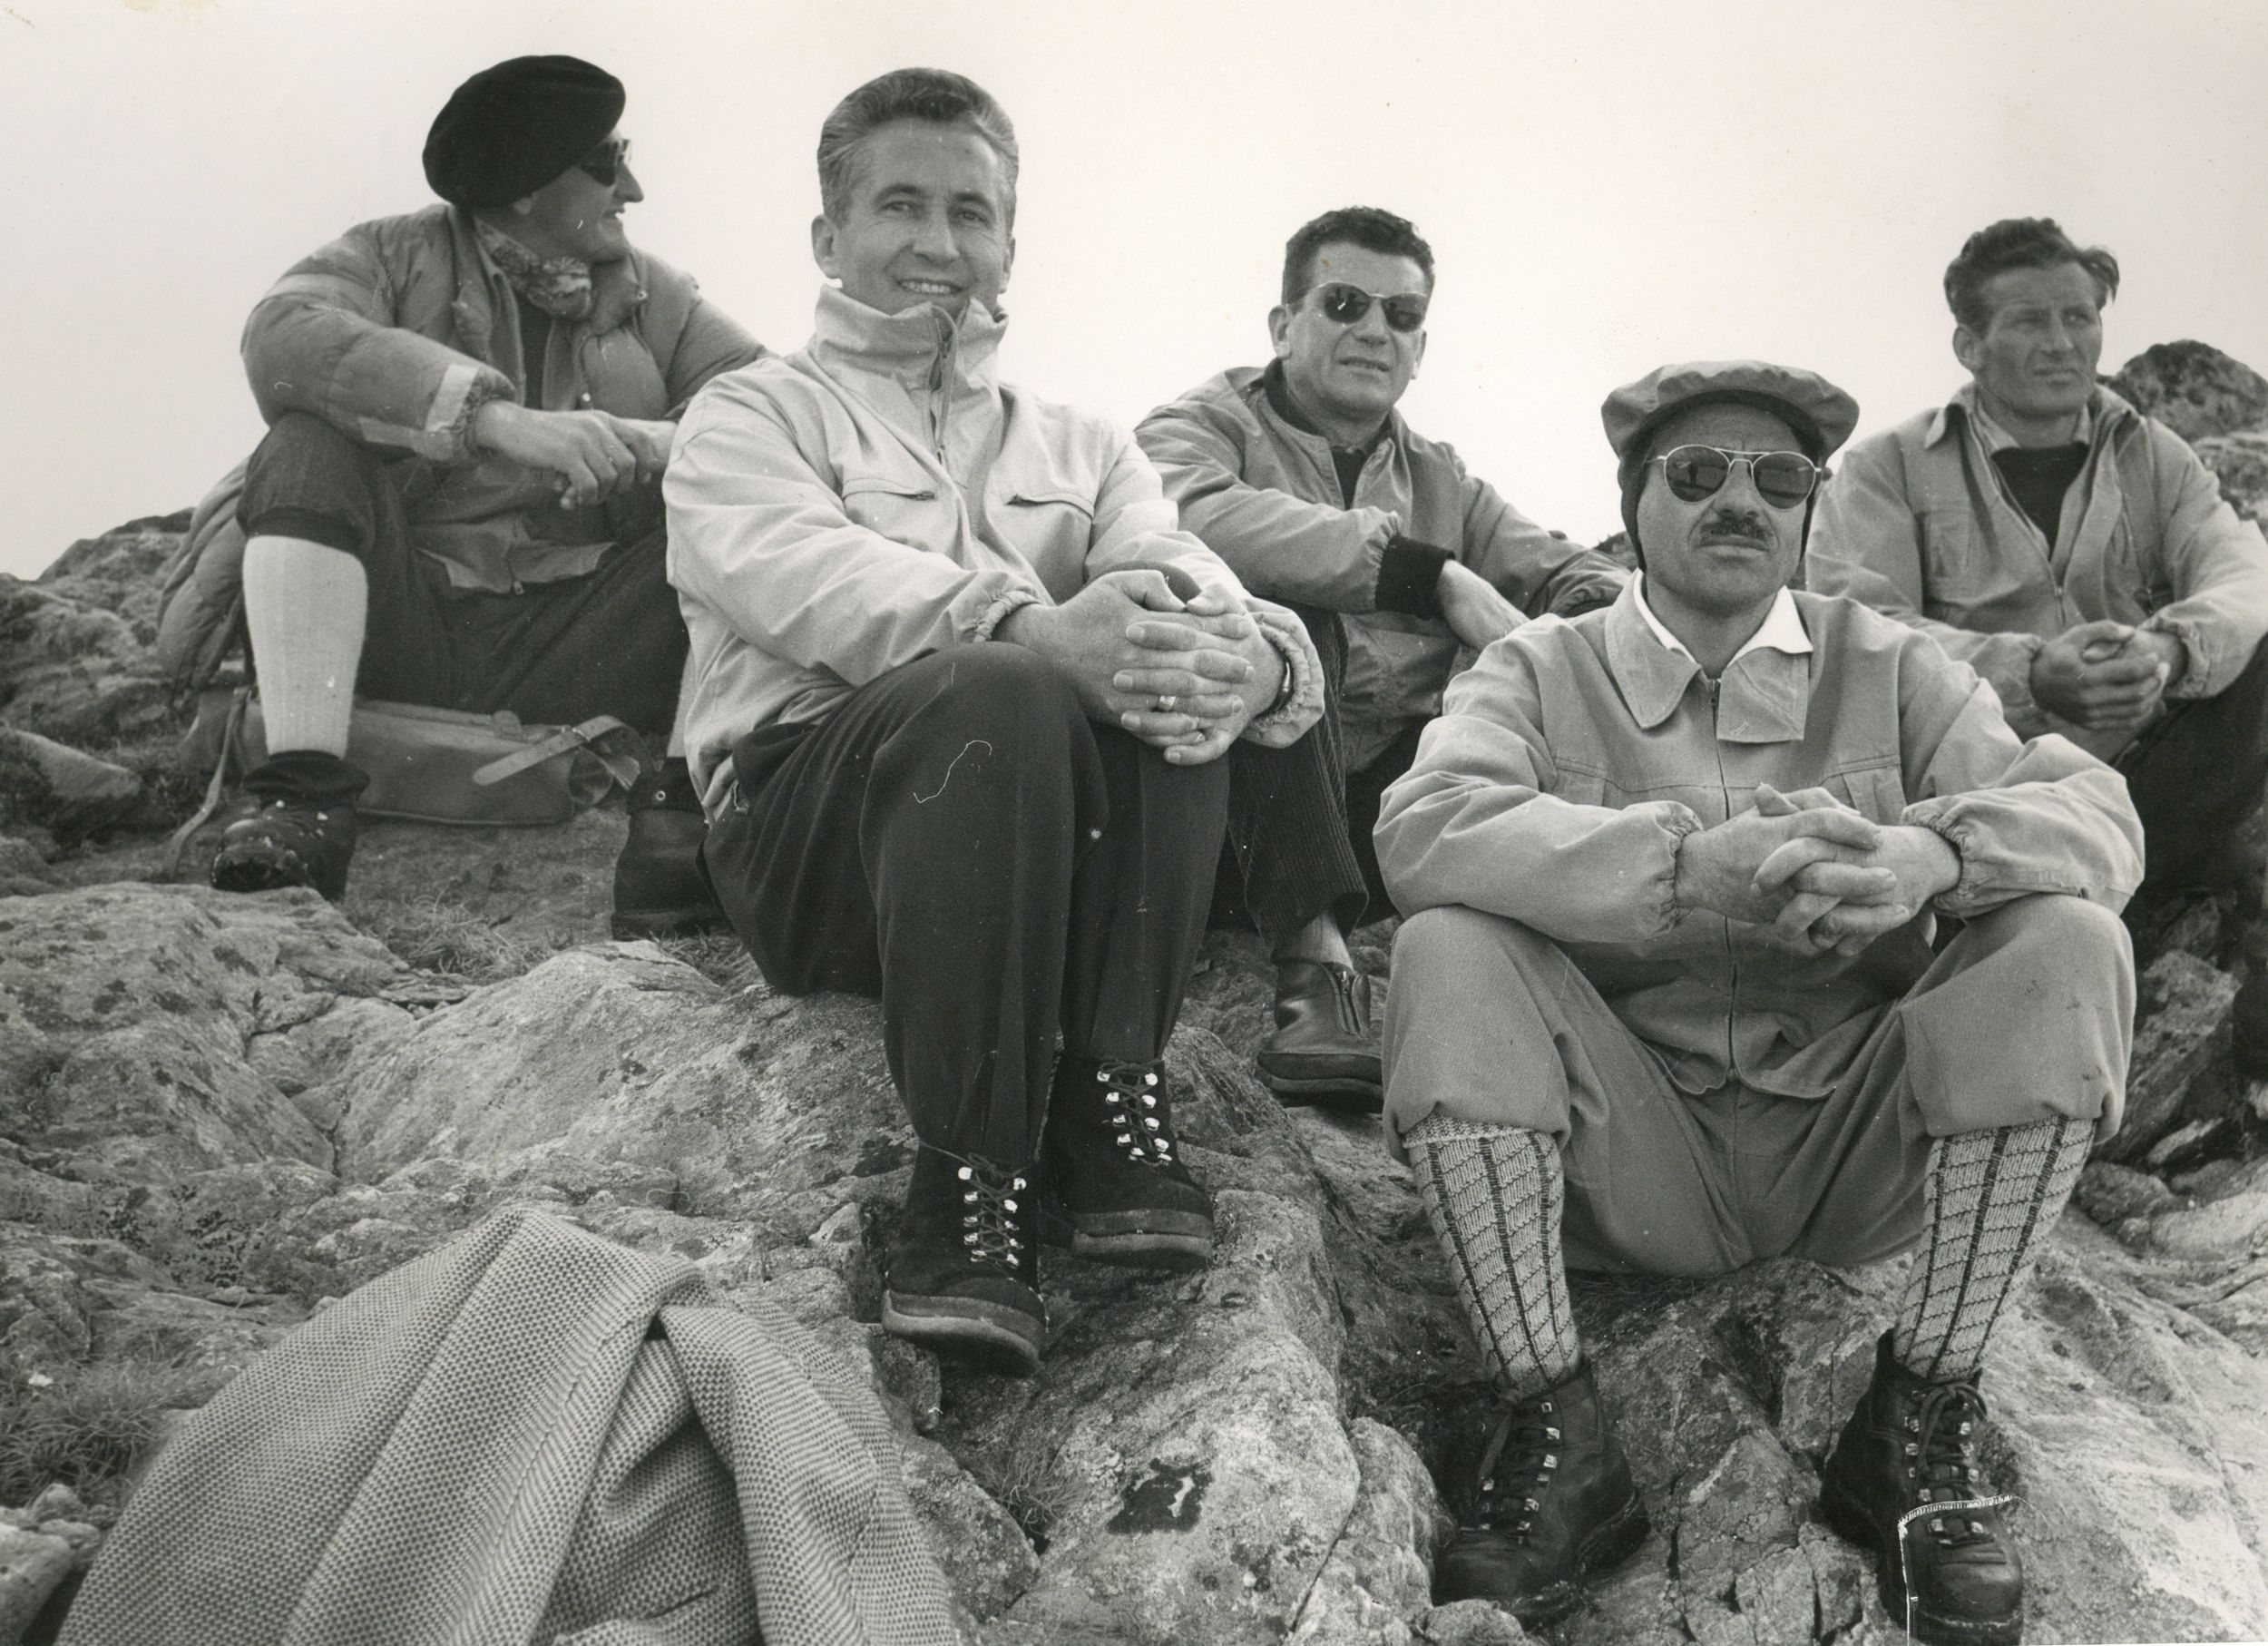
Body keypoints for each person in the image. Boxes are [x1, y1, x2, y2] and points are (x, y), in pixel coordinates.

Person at [1375, 360, 2140, 1641]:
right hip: (1626, 1152)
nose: (1742, 498)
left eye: (1778, 477)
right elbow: (1424, 826)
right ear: (1633, 505)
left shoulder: (1891, 662)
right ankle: (1556, 1423)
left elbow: (2094, 816)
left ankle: (1915, 1417)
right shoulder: (1539, 664)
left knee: (2066, 934)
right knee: (1449, 944)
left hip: (1853, 1150)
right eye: (1698, 472)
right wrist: (1675, 870)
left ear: (1808, 509)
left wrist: (1931, 857)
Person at [664, 69, 1323, 1377]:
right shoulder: (750, 412)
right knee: (1010, 677)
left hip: (1030, 851)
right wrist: (1030, 628)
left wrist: (1254, 666)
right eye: (899, 204)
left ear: (1009, 242)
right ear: (828, 237)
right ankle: (969, 1174)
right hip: (818, 835)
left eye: (971, 211)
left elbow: (1188, 571)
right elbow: (813, 580)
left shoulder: (1085, 441)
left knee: (1166, 641)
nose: (938, 241)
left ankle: (1106, 1092)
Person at [173, 54, 762, 930]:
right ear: (524, 189)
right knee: (302, 448)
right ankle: (303, 802)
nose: (630, 187)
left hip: (576, 639)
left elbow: (773, 412)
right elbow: (283, 336)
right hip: (398, 624)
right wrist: (494, 418)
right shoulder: (385, 256)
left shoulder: (656, 296)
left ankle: (681, 824)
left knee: (745, 511)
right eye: (607, 161)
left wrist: (652, 443)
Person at [1139, 209, 1625, 1110]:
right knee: (1281, 623)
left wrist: (1574, 619)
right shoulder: (1199, 427)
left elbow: (1566, 566)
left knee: (1516, 681)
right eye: (1345, 302)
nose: (1374, 330)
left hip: (1367, 820)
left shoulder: (1442, 480)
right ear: (1285, 324)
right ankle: (1316, 974)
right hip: (1217, 821)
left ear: (1420, 345)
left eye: (1400, 315)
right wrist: (1417, 572)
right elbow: (1181, 514)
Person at [1808, 217, 2268, 911]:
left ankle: (2131, 872)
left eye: (2078, 317)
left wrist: (2170, 649)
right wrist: (2030, 675)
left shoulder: (2157, 456)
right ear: (1970, 345)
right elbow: (1856, 629)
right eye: (2028, 321)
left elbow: (2244, 575)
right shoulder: (1886, 468)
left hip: (2148, 773)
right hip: (1986, 784)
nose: (2061, 344)